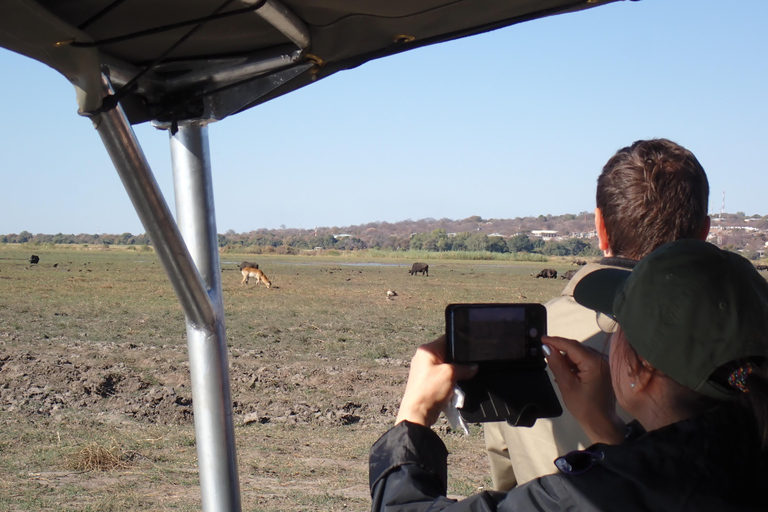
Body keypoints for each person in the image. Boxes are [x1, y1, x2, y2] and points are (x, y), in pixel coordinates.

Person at [370, 239, 768, 511]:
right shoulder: (739, 460)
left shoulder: (589, 496)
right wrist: (607, 430)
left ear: (642, 371)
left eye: (617, 323)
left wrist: (413, 419)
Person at [485, 138, 711, 489]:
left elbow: (505, 481)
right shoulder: (733, 341)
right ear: (703, 234)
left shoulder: (521, 336)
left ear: (600, 227)